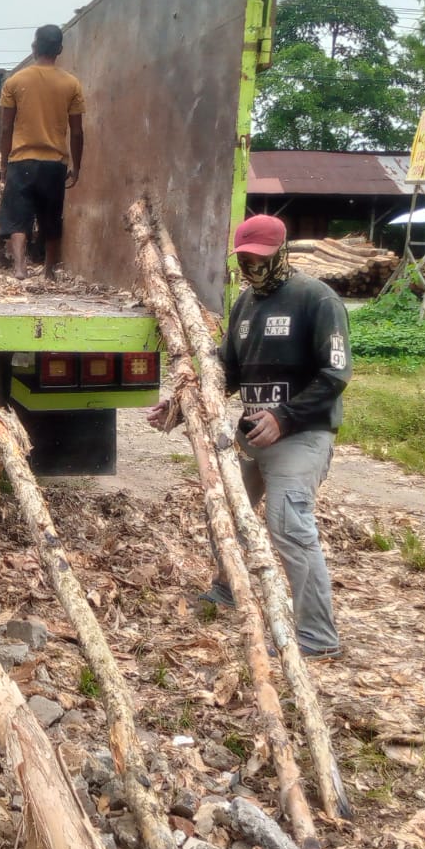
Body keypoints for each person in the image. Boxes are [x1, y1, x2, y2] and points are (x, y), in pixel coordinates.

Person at [146, 214, 351, 659]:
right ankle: (228, 588)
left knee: (288, 524)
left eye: (260, 258)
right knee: (225, 507)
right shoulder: (246, 305)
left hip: (302, 435)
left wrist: (285, 417)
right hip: (254, 435)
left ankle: (317, 637)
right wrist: (179, 408)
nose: (251, 266)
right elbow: (226, 372)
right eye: (244, 259)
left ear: (282, 252)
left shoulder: (317, 299)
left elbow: (335, 374)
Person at [0, 24, 85, 281]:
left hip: (21, 160)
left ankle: (20, 267)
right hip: (54, 163)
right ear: (59, 49)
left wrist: (4, 164)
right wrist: (77, 167)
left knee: (17, 216)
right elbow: (77, 132)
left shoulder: (15, 82)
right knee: (51, 216)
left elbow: (6, 127)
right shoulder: (71, 84)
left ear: (34, 48)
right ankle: (48, 271)